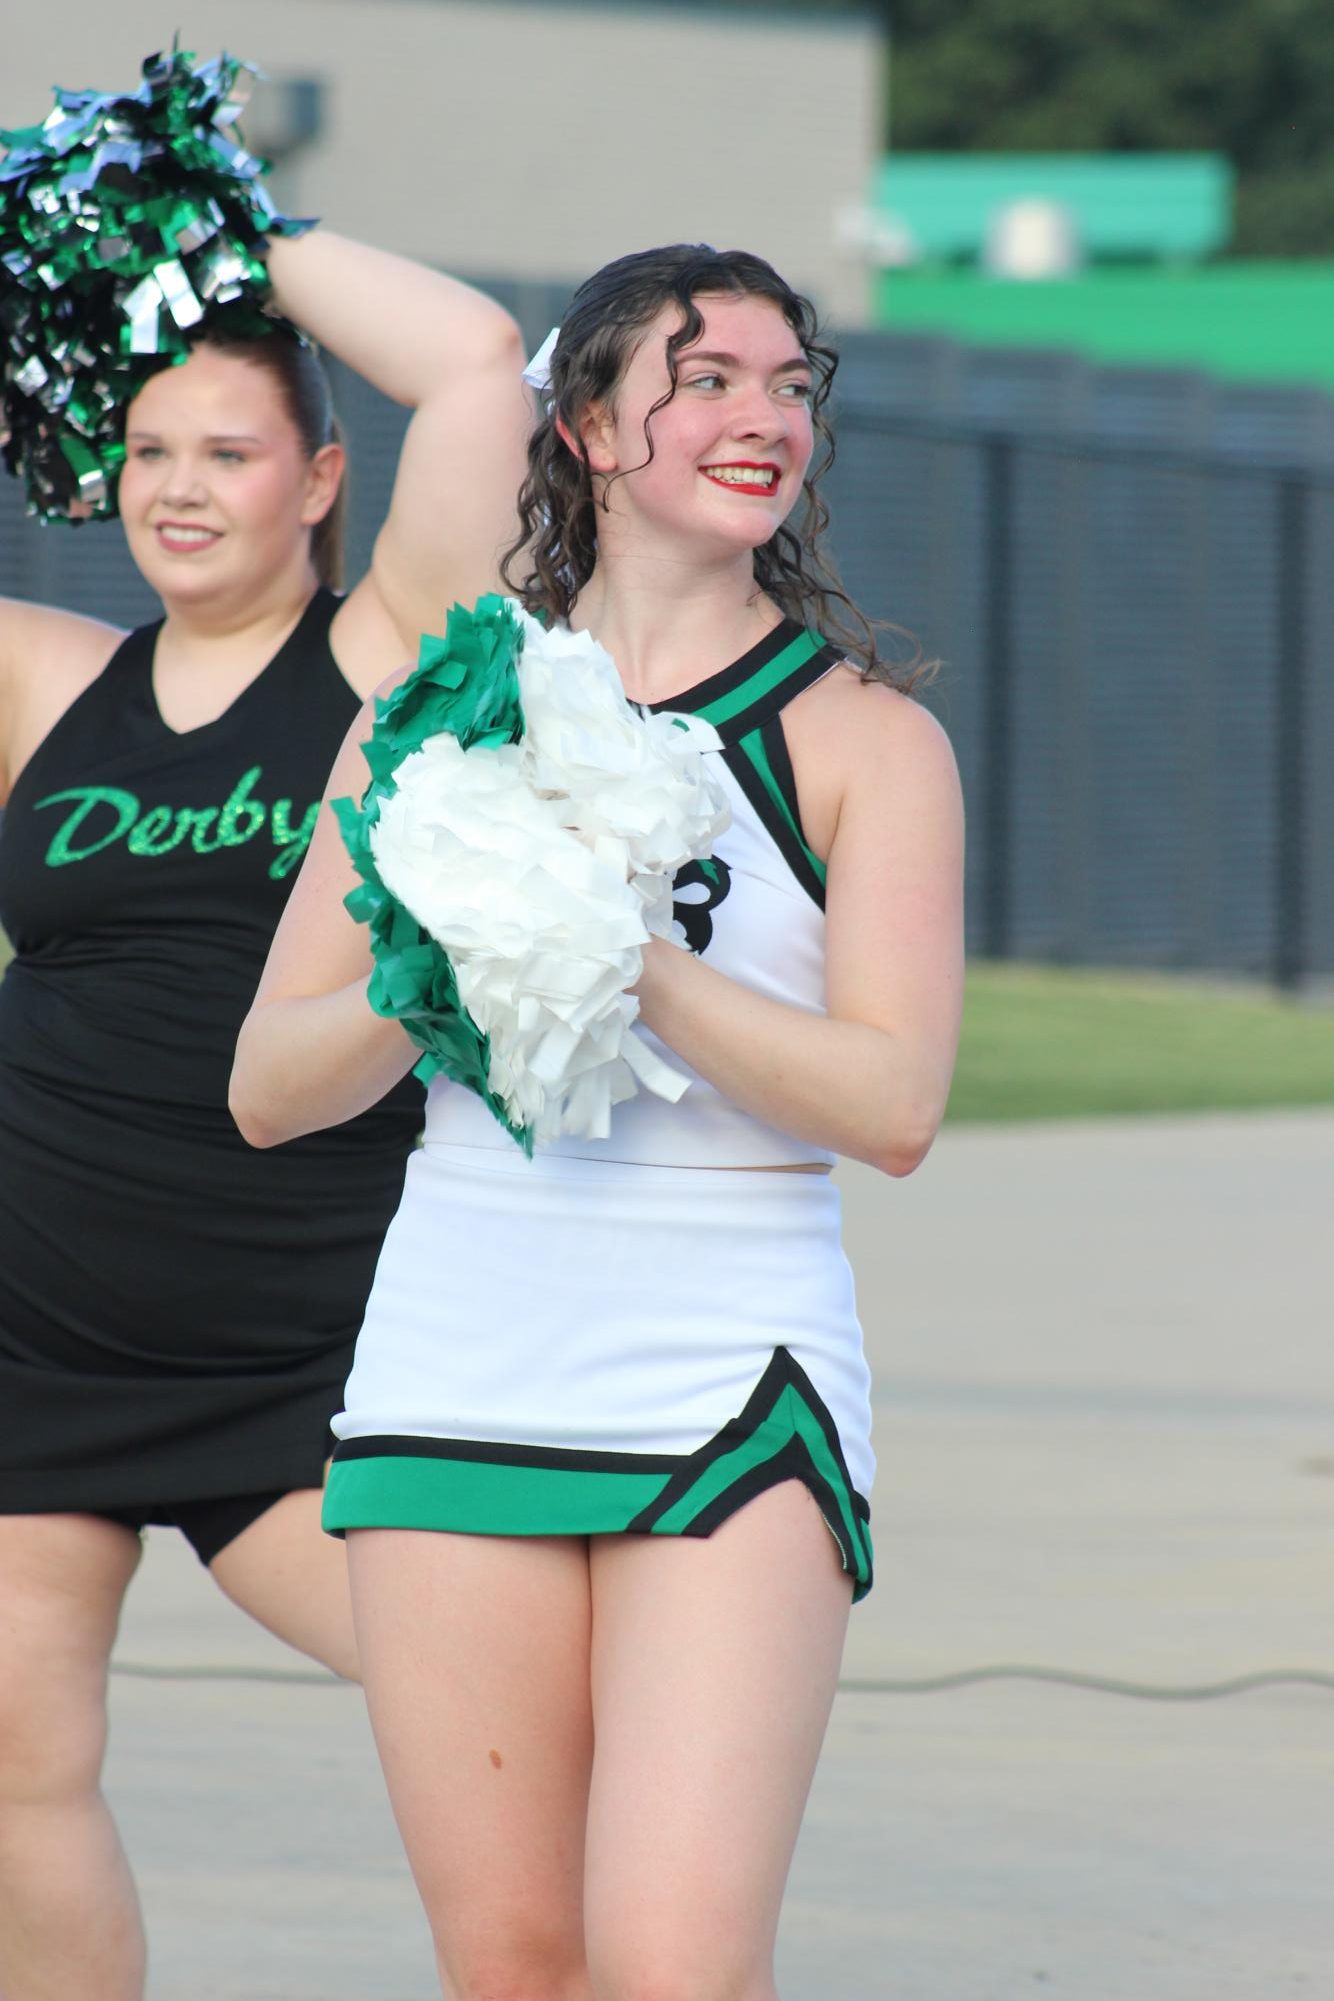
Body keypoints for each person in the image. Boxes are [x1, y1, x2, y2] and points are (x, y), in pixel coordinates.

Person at [231, 244, 964, 2000]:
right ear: (585, 427)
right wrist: (444, 962)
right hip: (460, 1359)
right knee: (513, 1962)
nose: (760, 415)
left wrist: (618, 957)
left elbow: (891, 1103)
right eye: (704, 378)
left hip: (727, 1373)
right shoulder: (437, 711)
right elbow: (267, 1083)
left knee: (673, 1964)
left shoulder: (863, 739)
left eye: (790, 385)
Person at [0, 223, 530, 2000]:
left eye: (227, 451)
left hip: (307, 1359)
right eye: (150, 451)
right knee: (14, 1778)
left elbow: (473, 366)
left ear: (321, 479)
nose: (179, 487)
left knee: (526, 1725)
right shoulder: (46, 680)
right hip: (32, 1334)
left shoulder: (385, 657)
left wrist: (211, 213)